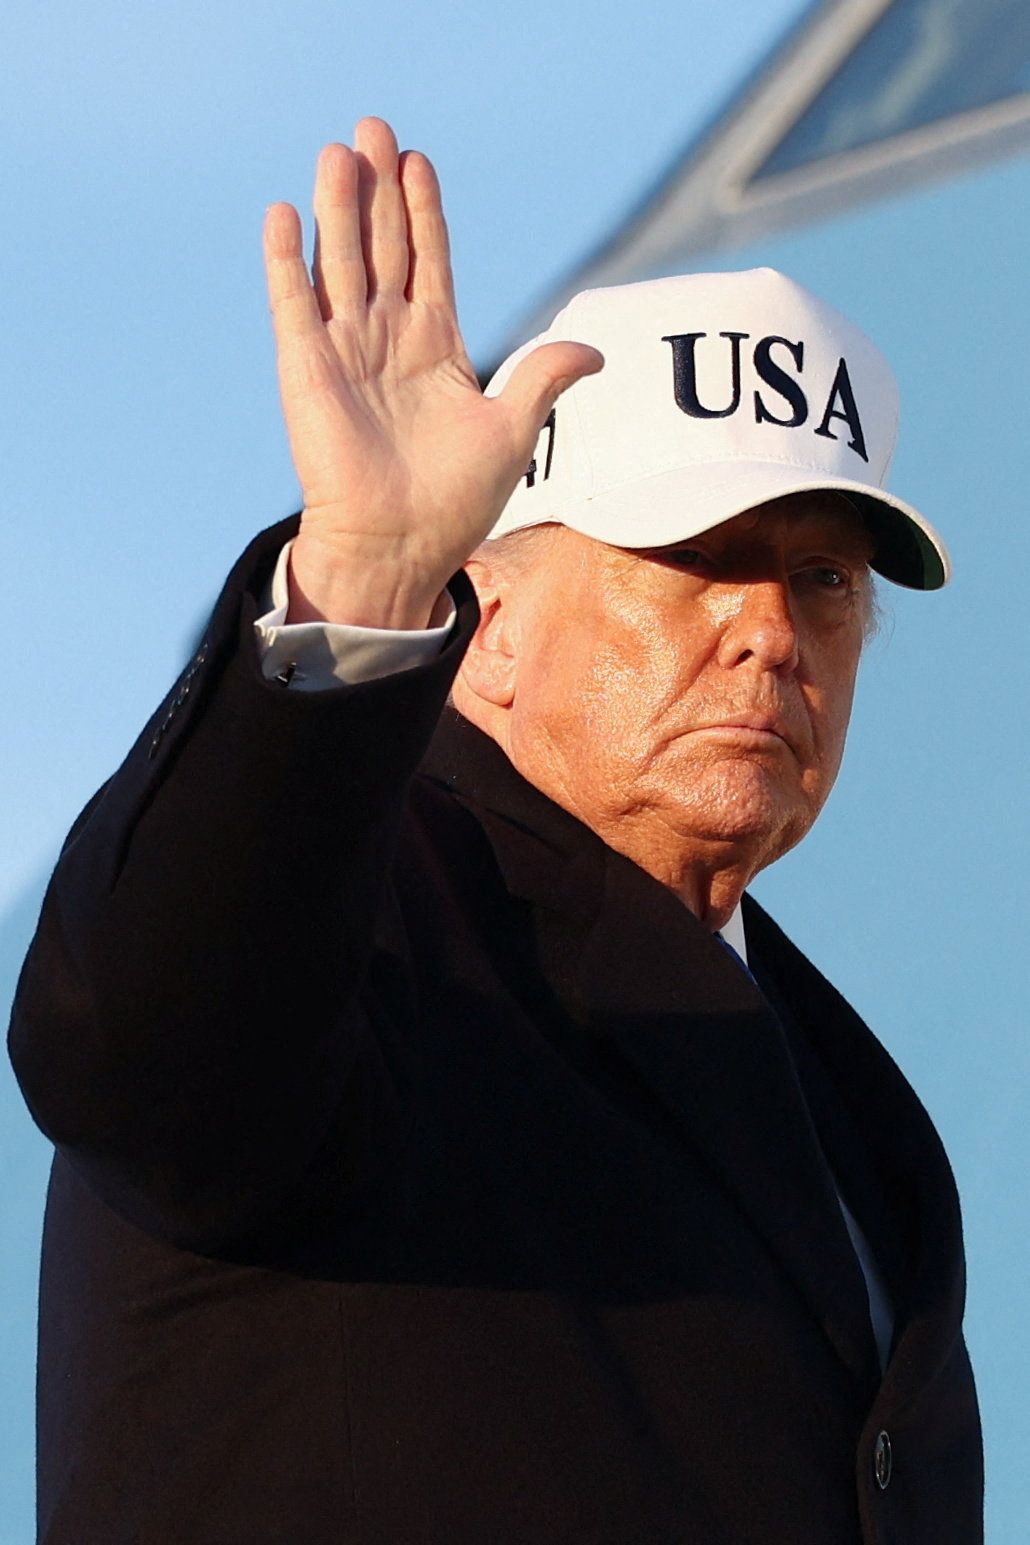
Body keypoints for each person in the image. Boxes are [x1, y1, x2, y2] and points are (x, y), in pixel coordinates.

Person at [9, 118, 982, 1544]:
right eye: (693, 556)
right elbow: (135, 1043)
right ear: (491, 622)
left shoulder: (842, 1102)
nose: (770, 631)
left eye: (822, 577)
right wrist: (360, 587)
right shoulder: (367, 920)